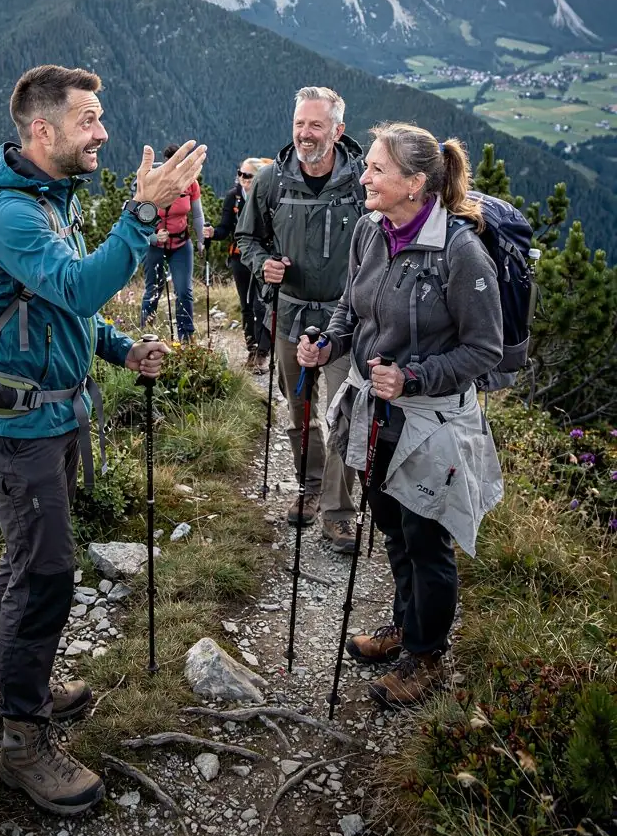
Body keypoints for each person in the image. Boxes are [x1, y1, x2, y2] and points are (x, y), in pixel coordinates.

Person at [0, 65, 206, 814]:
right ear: (43, 130)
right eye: (89, 119)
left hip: (48, 421)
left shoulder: (44, 200)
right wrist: (140, 212)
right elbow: (77, 287)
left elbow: (64, 308)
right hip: (19, 431)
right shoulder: (9, 217)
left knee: (26, 561)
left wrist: (123, 350)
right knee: (46, 575)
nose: (102, 132)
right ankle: (22, 743)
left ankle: (10, 688)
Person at [297, 123, 504, 709]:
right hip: (375, 412)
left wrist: (414, 377)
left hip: (430, 421)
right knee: (391, 524)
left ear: (415, 184)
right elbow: (350, 309)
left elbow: (485, 349)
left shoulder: (460, 252)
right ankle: (404, 626)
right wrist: (327, 344)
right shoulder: (371, 230)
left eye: (377, 170)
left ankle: (427, 655)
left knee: (427, 536)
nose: (363, 176)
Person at [236, 87, 363, 553]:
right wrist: (263, 264)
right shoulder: (271, 181)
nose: (305, 134)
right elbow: (248, 238)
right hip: (288, 314)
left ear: (337, 130)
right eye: (299, 124)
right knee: (301, 409)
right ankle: (310, 488)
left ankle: (339, 510)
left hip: (345, 321)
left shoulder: (362, 183)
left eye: (315, 125)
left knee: (344, 413)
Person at [204, 157, 271, 370]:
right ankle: (252, 349)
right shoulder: (233, 197)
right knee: (247, 305)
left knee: (262, 304)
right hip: (239, 256)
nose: (242, 179)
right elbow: (225, 229)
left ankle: (263, 352)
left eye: (248, 176)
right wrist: (212, 233)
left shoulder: (267, 196)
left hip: (263, 258)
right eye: (240, 173)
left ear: (258, 177)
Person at [140, 143, 205, 343]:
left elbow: (197, 214)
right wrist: (152, 237)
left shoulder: (191, 184)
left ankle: (186, 338)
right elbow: (139, 218)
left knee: (184, 290)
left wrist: (201, 240)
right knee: (153, 290)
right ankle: (144, 333)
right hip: (155, 246)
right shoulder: (153, 183)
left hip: (181, 244)